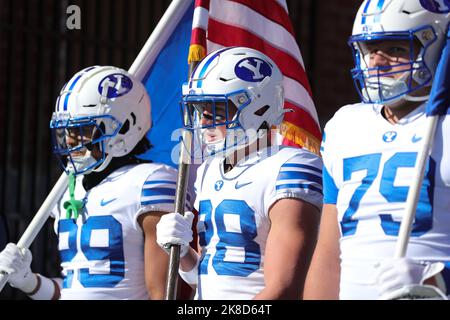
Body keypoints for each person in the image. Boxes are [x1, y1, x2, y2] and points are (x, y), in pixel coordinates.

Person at [304, 0, 450, 300]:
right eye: (370, 49)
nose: (376, 61)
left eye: (395, 48)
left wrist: (439, 278)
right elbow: (329, 254)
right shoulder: (345, 125)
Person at [0, 66, 186, 299]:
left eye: (83, 129)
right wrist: (29, 282)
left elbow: (163, 293)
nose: (70, 140)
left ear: (125, 128)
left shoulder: (149, 183)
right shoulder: (69, 188)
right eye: (67, 130)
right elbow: (75, 290)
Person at [156, 47, 323, 300]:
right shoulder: (209, 170)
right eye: (201, 110)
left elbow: (284, 289)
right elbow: (210, 274)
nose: (204, 122)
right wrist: (182, 255)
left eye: (218, 110)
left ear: (260, 109)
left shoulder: (289, 168)